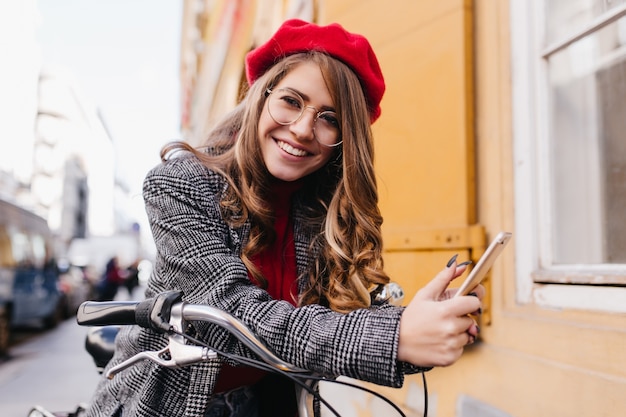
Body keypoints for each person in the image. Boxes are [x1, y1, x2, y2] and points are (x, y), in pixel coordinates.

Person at [85, 19, 483, 417]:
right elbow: (233, 315)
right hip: (165, 401)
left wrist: (426, 323)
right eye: (292, 101)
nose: (303, 129)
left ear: (344, 142)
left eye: (329, 118)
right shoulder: (180, 183)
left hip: (266, 399)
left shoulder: (318, 210)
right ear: (262, 97)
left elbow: (333, 323)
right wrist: (395, 337)